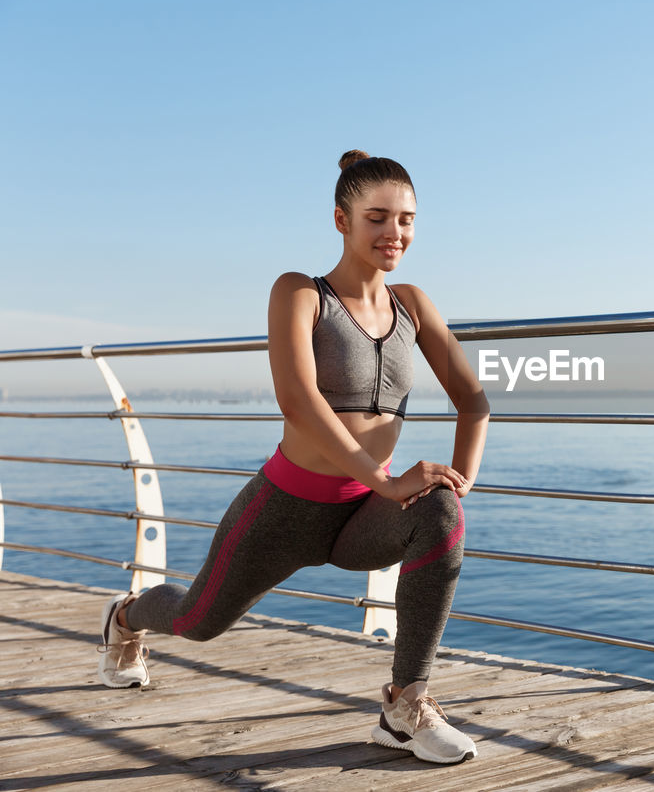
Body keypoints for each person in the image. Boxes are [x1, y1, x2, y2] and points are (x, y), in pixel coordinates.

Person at [94, 150, 490, 765]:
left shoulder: (414, 303)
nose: (395, 233)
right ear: (341, 220)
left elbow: (474, 401)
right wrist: (386, 485)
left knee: (440, 511)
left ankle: (405, 704)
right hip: (284, 511)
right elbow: (300, 401)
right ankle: (126, 617)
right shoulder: (300, 293)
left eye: (407, 219)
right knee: (199, 620)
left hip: (363, 515)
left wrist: (458, 480)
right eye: (377, 217)